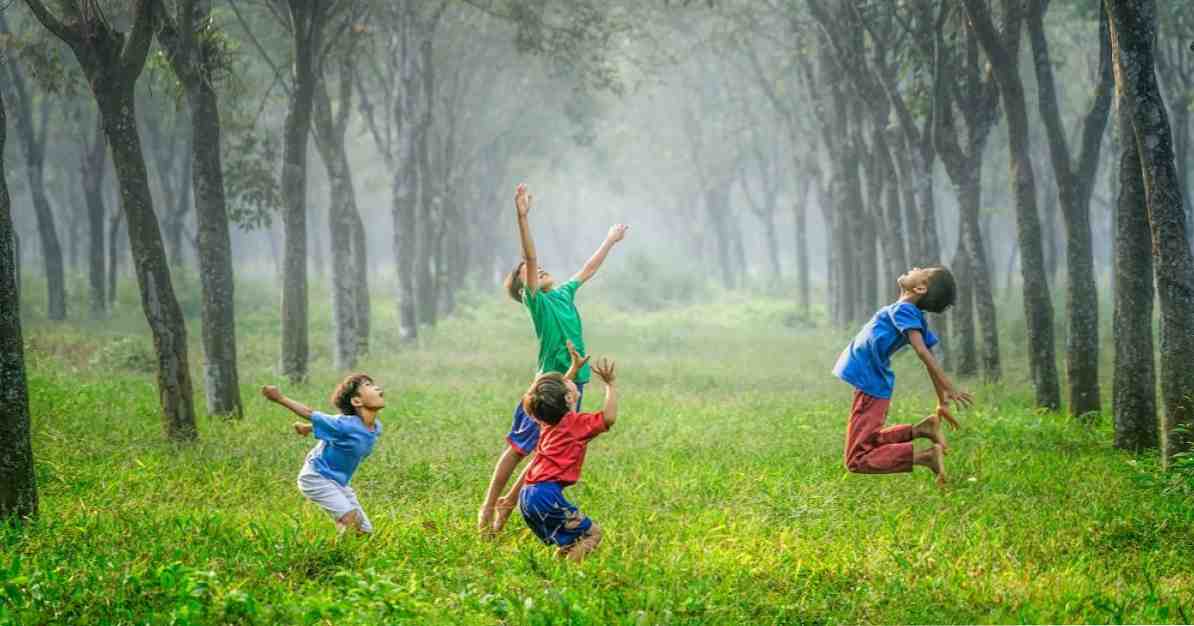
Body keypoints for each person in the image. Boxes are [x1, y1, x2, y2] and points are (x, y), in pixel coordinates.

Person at [478, 183, 628, 534]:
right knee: (518, 448)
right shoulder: (537, 302)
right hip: (547, 387)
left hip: (574, 384)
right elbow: (530, 257)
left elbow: (588, 269)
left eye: (539, 269)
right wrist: (522, 217)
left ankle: (509, 506)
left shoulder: (563, 293)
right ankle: (488, 507)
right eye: (528, 273)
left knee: (547, 448)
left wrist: (609, 240)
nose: (538, 269)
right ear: (523, 287)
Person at [832, 266, 973, 486]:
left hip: (871, 384)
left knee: (857, 459)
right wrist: (941, 401)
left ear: (920, 287)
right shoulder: (909, 312)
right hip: (871, 383)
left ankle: (925, 457)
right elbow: (928, 355)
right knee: (869, 441)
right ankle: (921, 429)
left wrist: (948, 385)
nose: (915, 267)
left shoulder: (905, 311)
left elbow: (922, 351)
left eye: (922, 270)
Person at [518, 356, 618, 562]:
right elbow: (608, 417)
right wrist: (610, 385)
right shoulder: (575, 423)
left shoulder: (547, 421)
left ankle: (554, 573)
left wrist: (573, 369)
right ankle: (567, 577)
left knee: (571, 542)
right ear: (569, 398)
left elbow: (552, 395)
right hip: (545, 496)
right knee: (593, 534)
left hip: (527, 495)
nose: (569, 379)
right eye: (567, 382)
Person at [262, 374, 385, 533]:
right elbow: (311, 413)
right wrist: (280, 398)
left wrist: (307, 428)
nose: (376, 387)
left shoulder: (376, 427)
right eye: (368, 385)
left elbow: (335, 427)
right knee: (349, 519)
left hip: (339, 483)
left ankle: (346, 553)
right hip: (316, 477)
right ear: (356, 401)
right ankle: (333, 556)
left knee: (364, 531)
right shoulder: (344, 424)